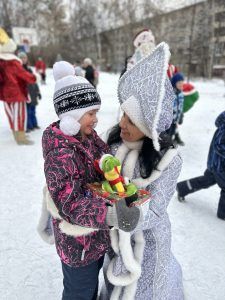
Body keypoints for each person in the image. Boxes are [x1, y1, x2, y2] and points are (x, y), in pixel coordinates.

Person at [41, 61, 141, 300]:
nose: (95, 120)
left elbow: (101, 157)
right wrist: (109, 215)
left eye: (96, 112)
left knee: (91, 287)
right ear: (71, 114)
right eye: (91, 113)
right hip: (77, 244)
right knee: (79, 292)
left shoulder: (86, 135)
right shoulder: (60, 151)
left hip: (95, 237)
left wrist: (111, 171)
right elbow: (69, 200)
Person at [100, 43, 184, 300]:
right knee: (115, 283)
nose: (122, 124)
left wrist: (120, 215)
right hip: (115, 243)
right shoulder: (113, 145)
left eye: (132, 121)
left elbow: (157, 210)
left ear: (150, 127)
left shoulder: (168, 160)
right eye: (123, 114)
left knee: (145, 291)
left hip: (148, 245)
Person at [177, 111, 225, 221]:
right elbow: (219, 145)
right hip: (219, 165)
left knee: (207, 180)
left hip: (216, 163)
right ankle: (223, 214)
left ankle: (182, 188)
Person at [0, 28, 36, 145]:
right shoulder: (12, 62)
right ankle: (21, 139)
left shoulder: (1, 62)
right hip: (17, 92)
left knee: (11, 115)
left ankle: (16, 136)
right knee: (19, 115)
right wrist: (34, 78)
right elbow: (24, 75)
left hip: (5, 94)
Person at [18, 51, 41, 132]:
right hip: (24, 93)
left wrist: (38, 92)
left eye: (24, 57)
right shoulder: (18, 69)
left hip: (32, 92)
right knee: (27, 111)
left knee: (33, 110)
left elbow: (34, 81)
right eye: (21, 58)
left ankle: (34, 124)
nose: (23, 59)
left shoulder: (29, 69)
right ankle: (27, 126)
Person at [167, 72, 185, 146]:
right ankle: (163, 150)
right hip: (168, 121)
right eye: (179, 83)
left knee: (171, 134)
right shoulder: (170, 94)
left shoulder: (181, 94)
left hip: (175, 120)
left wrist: (181, 116)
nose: (181, 84)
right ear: (174, 83)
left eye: (182, 82)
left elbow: (180, 106)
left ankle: (168, 146)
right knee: (166, 136)